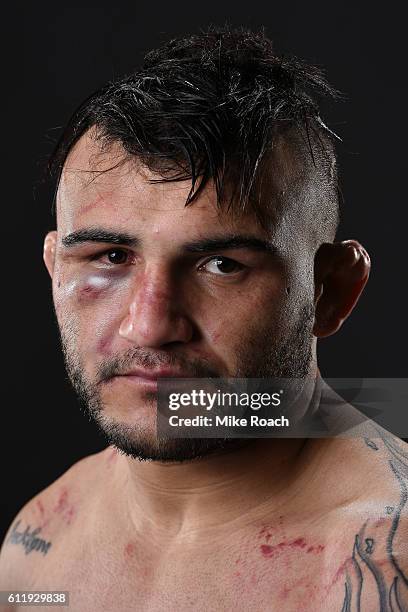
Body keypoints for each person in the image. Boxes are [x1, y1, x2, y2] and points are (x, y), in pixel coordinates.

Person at [0, 26, 407, 611]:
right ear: (54, 270)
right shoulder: (39, 542)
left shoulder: (383, 567)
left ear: (331, 291)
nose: (149, 326)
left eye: (222, 264)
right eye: (111, 258)